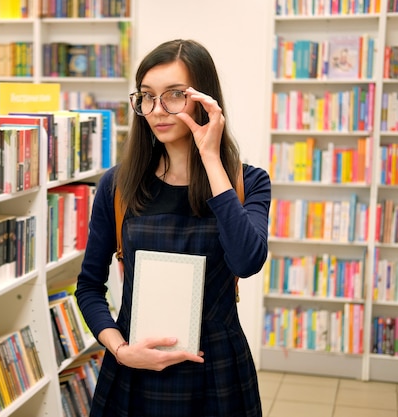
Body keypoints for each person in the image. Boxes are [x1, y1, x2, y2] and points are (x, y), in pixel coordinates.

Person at [74, 39, 271, 417]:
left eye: (175, 95)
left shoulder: (249, 182)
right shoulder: (118, 185)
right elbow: (89, 287)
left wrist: (211, 158)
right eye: (147, 96)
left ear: (204, 99)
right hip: (134, 365)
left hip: (215, 370)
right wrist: (120, 349)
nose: (157, 110)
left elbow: (247, 261)